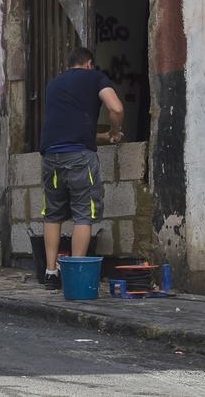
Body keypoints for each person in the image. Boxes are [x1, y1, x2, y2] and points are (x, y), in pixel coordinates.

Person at [39, 47, 124, 291]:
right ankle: (75, 273)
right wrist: (116, 131)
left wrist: (104, 136)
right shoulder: (95, 77)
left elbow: (71, 131)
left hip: (51, 157)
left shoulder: (53, 84)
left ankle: (51, 272)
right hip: (79, 159)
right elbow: (116, 108)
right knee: (83, 215)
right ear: (89, 64)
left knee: (53, 214)